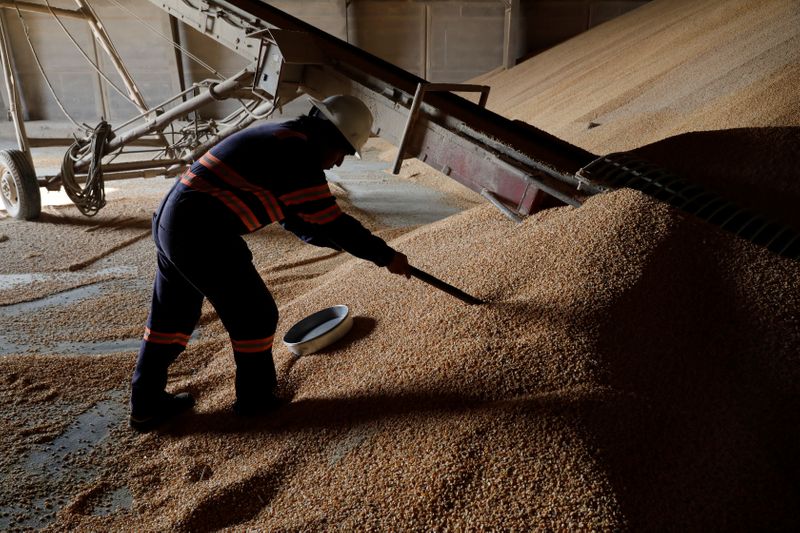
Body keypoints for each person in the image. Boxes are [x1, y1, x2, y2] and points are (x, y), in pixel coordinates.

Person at [129, 94, 411, 431]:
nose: (337, 164)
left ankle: (145, 404)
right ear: (330, 136)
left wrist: (345, 244)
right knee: (255, 314)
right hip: (201, 232)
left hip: (173, 224)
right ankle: (256, 400)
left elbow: (300, 220)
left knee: (171, 317)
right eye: (343, 152)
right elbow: (334, 223)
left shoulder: (283, 139)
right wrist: (386, 256)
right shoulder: (296, 154)